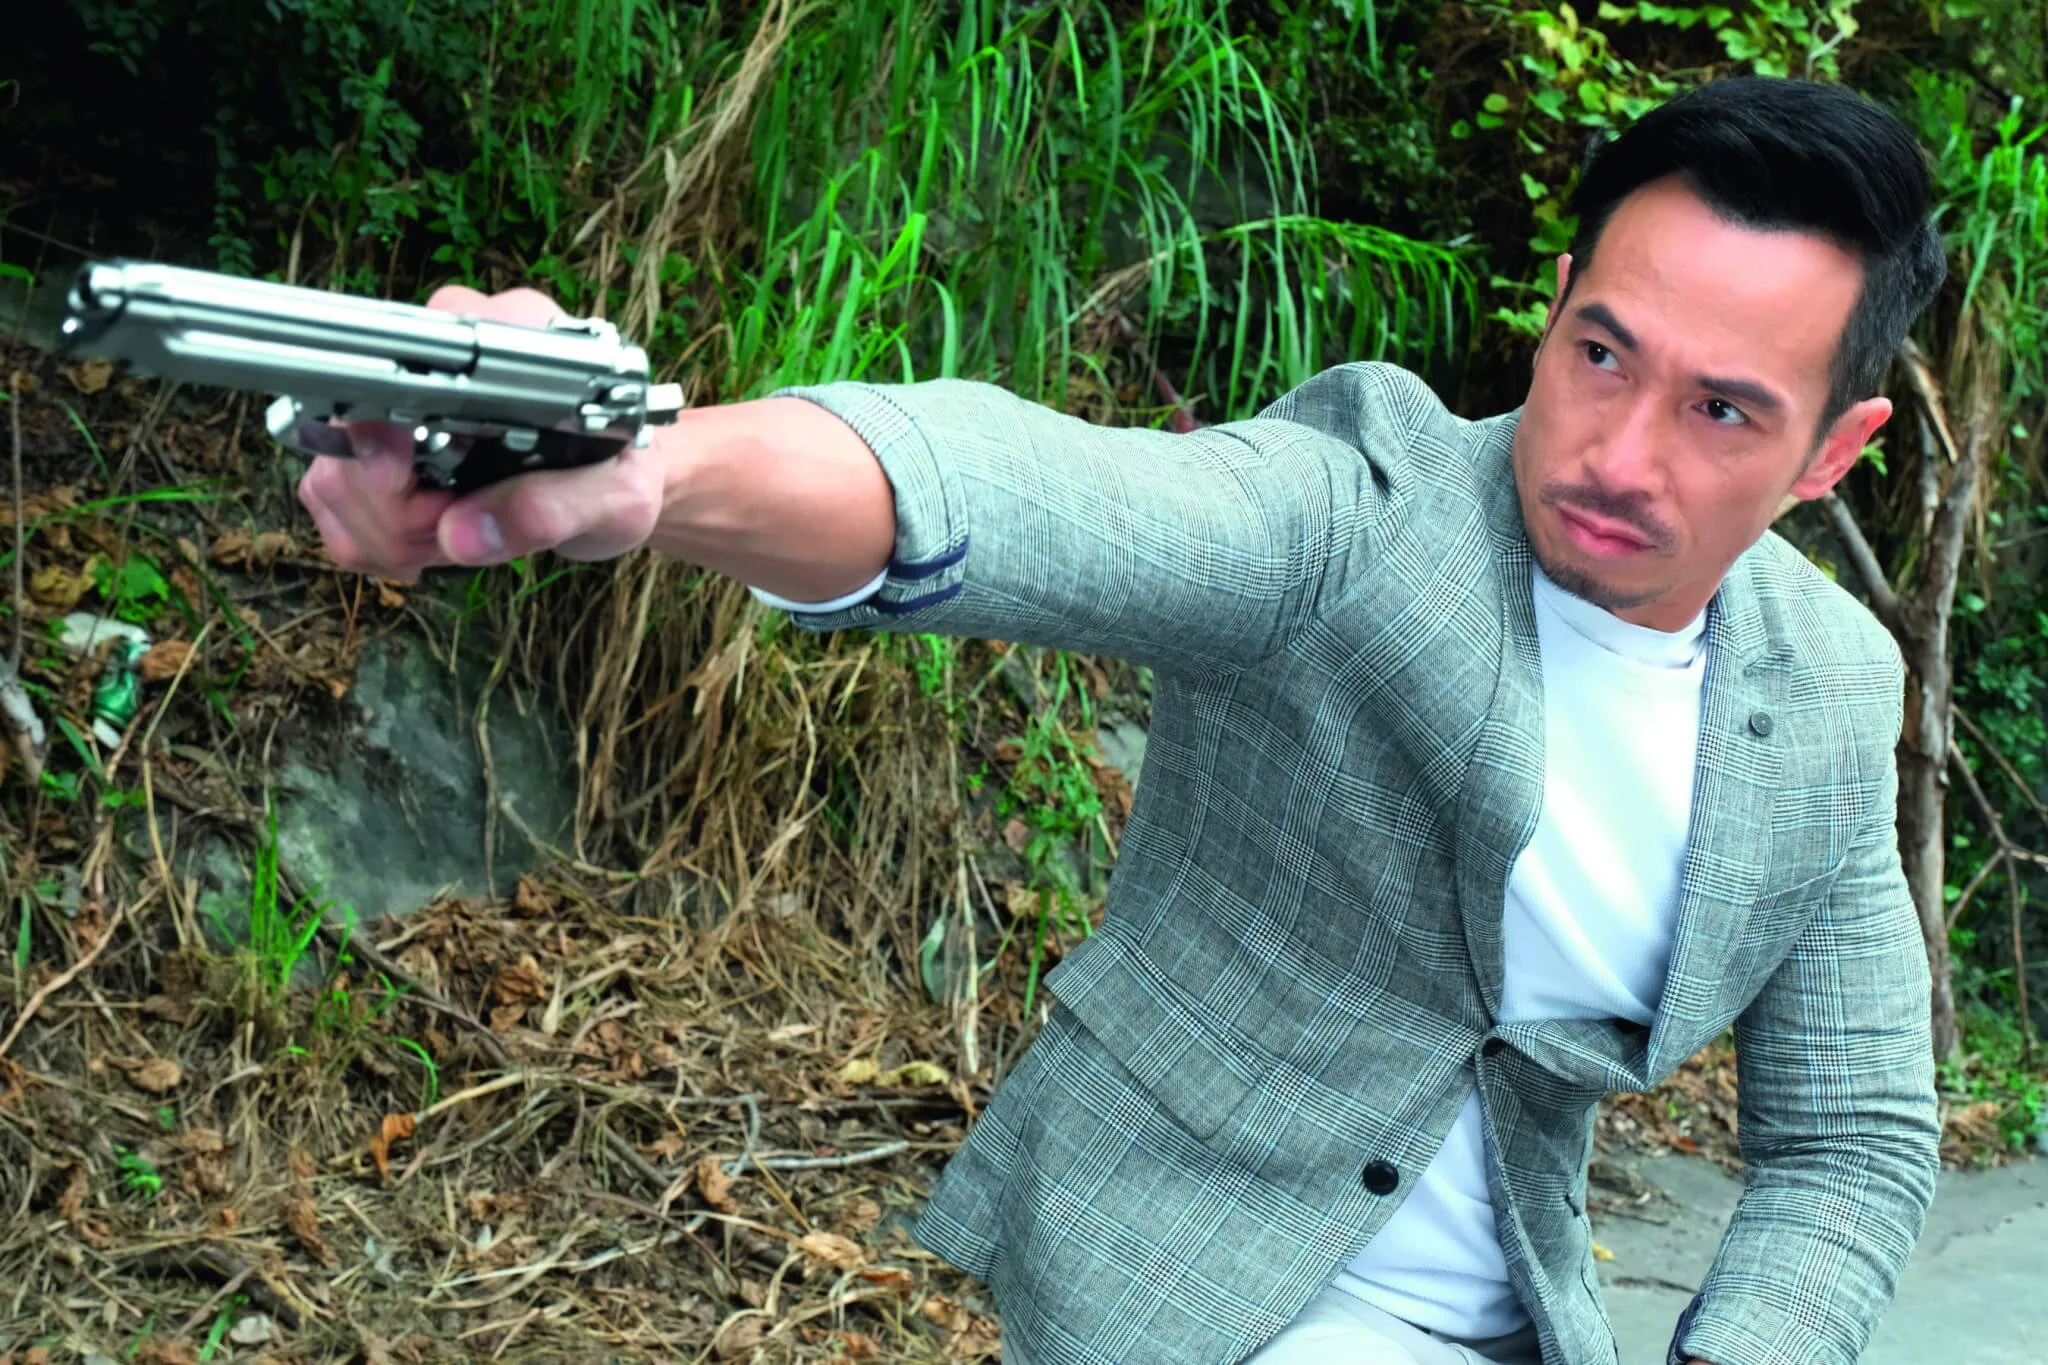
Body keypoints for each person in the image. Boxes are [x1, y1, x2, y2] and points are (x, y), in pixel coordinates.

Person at [299, 75, 1947, 1365]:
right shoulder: (1367, 508)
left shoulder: (1826, 689)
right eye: (1601, 353)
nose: (1620, 450)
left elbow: (1855, 1138)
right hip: (1191, 1282)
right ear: (1560, 302)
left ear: (1833, 451)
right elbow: (1056, 497)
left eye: (1721, 410)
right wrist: (656, 459)